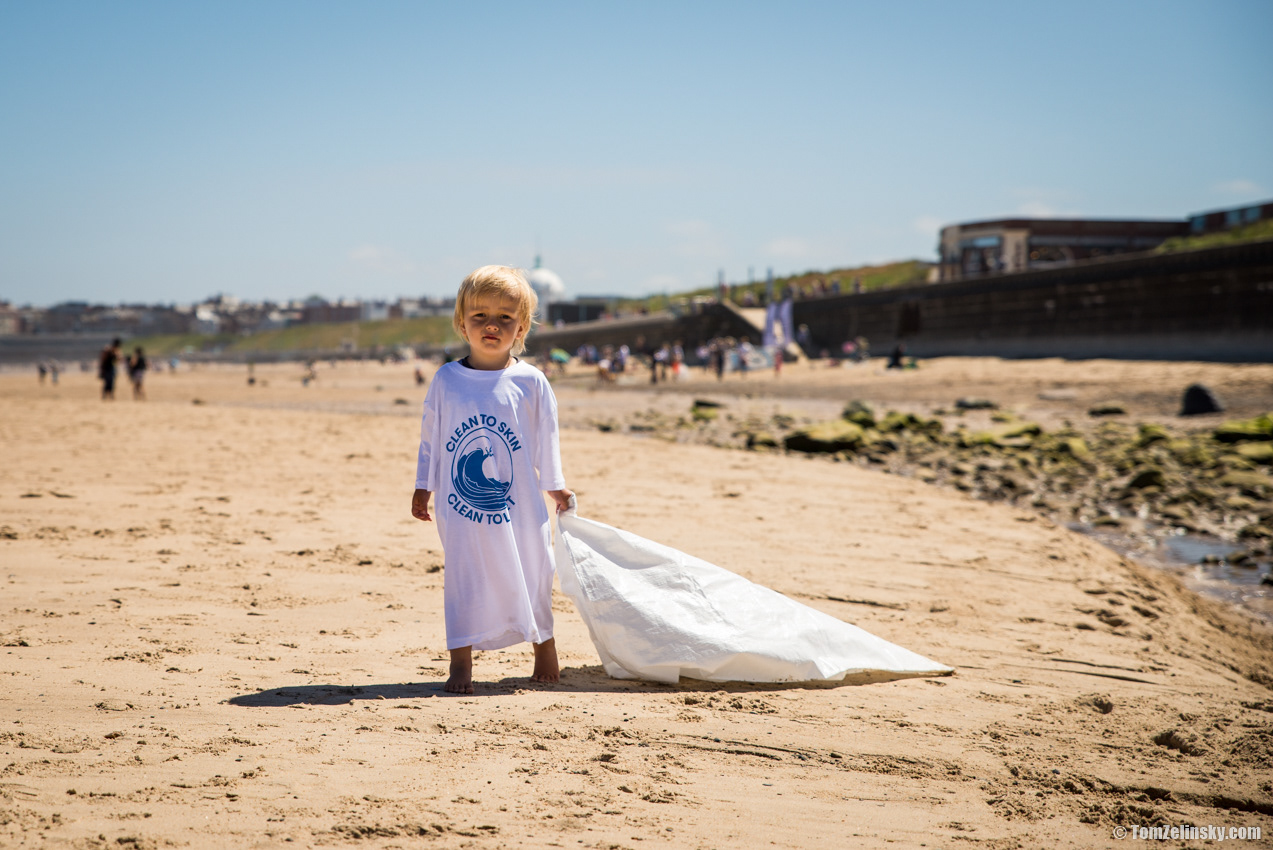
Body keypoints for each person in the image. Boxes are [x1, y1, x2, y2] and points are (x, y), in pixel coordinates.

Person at [410, 265, 573, 695]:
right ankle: (460, 661)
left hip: (521, 503)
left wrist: (555, 484)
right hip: (460, 507)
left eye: (505, 317)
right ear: (461, 322)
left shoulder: (531, 381)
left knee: (536, 568)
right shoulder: (447, 380)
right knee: (465, 575)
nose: (492, 325)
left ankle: (544, 646)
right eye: (480, 316)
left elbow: (547, 437)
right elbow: (432, 437)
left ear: (522, 327)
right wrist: (423, 485)